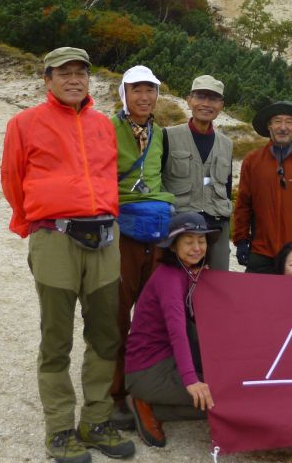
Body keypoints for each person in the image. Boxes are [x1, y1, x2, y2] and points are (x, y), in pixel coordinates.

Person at [0, 46, 135, 463]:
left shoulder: (102, 125)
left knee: (104, 334)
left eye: (81, 72)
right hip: (55, 238)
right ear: (48, 79)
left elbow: (110, 177)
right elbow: (12, 179)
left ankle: (95, 421)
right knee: (56, 338)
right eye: (65, 73)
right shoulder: (24, 123)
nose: (74, 79)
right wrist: (35, 226)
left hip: (104, 240)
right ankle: (59, 429)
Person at [109, 65, 177, 430]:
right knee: (118, 314)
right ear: (124, 92)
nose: (144, 97)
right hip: (121, 230)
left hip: (157, 231)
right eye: (137, 89)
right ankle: (115, 394)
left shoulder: (160, 134)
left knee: (152, 315)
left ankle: (146, 389)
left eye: (150, 90)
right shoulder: (108, 128)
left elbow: (160, 175)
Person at [125, 212, 218, 448]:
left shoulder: (185, 272)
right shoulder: (168, 279)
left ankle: (156, 404)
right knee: (218, 399)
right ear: (174, 247)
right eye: (189, 241)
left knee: (220, 388)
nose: (197, 247)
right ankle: (148, 405)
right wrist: (191, 381)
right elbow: (177, 332)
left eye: (201, 240)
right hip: (149, 370)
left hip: (169, 360)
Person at [231, 100, 292, 274]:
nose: (283, 127)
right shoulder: (252, 161)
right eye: (277, 121)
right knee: (255, 300)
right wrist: (241, 241)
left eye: (289, 122)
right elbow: (243, 205)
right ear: (269, 126)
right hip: (261, 251)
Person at [162, 74, 233, 271]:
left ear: (221, 105)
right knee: (176, 283)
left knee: (218, 286)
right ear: (189, 100)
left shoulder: (227, 144)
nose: (206, 104)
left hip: (217, 226)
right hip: (180, 225)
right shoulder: (168, 136)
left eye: (213, 99)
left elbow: (226, 188)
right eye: (201, 97)